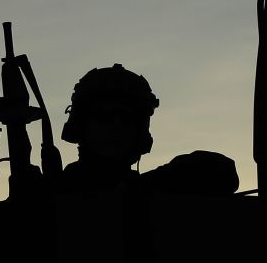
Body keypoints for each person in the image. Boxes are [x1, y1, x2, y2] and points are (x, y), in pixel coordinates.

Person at [57, 64, 238, 195]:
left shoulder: (150, 191)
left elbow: (223, 173)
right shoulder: (53, 191)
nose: (116, 126)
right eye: (103, 116)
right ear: (81, 125)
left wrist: (140, 188)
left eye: (127, 119)